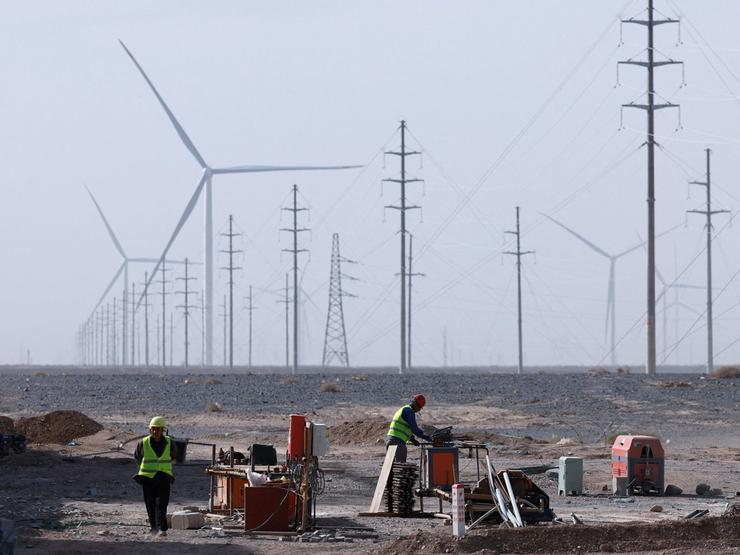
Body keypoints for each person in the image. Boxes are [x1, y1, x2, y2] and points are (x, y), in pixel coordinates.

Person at [133, 416, 177, 537]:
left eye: (158, 429)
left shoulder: (170, 442)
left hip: (164, 477)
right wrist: (145, 469)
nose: (155, 431)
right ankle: (154, 528)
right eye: (153, 429)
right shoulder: (143, 442)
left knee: (162, 504)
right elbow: (138, 457)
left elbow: (173, 456)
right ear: (149, 430)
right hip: (148, 478)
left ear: (163, 430)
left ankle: (162, 529)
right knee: (150, 504)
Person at [385, 394, 432, 463]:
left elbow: (404, 428)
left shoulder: (403, 409)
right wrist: (428, 438)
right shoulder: (409, 411)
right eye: (419, 408)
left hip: (389, 440)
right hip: (398, 443)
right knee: (400, 466)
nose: (418, 410)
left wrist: (412, 440)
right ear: (416, 404)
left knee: (390, 467)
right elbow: (414, 429)